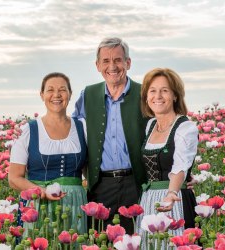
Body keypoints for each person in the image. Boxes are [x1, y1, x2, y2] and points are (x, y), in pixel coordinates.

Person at [72, 37, 147, 234]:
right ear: (97, 65)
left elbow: (166, 131)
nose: (112, 66)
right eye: (105, 61)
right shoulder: (87, 95)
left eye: (118, 60)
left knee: (136, 241)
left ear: (128, 63)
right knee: (101, 240)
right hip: (100, 184)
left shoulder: (144, 94)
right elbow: (73, 134)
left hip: (137, 183)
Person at [9, 72, 88, 235]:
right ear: (42, 95)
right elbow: (14, 178)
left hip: (75, 206)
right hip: (37, 206)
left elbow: (90, 168)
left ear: (70, 94)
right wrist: (41, 192)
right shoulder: (28, 130)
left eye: (62, 90)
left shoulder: (82, 128)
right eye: (50, 90)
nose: (56, 95)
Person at [136, 68, 198, 247]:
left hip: (175, 199)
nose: (158, 96)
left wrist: (171, 194)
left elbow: (180, 166)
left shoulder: (185, 128)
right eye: (153, 91)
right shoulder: (150, 126)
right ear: (147, 97)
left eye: (165, 90)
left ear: (175, 95)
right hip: (149, 200)